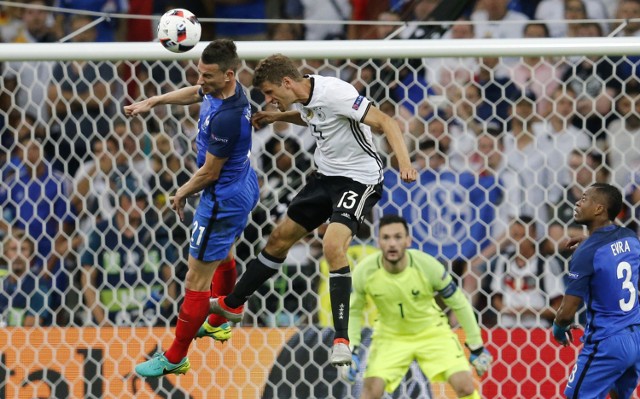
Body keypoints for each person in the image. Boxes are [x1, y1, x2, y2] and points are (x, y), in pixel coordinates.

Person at [208, 53, 417, 366]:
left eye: (269, 92)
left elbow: (385, 121)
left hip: (359, 180)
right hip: (325, 178)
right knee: (279, 238)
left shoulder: (336, 93)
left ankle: (343, 340)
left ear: (287, 83)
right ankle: (234, 304)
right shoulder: (304, 97)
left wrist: (405, 163)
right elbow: (309, 116)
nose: (268, 98)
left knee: (332, 244)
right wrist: (276, 116)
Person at [124, 39, 259, 377]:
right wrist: (154, 101)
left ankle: (175, 356)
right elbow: (196, 93)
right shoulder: (225, 87)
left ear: (228, 74)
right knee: (224, 254)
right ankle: (219, 319)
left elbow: (210, 173)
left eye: (207, 76)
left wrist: (181, 193)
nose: (200, 81)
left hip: (220, 198)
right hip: (243, 183)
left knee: (195, 279)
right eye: (199, 73)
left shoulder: (227, 118)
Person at [342, 215, 492, 399]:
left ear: (408, 240)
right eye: (386, 237)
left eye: (398, 237)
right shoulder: (365, 271)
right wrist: (352, 349)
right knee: (370, 391)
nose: (392, 243)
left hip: (431, 333)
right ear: (378, 241)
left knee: (465, 386)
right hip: (390, 336)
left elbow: (459, 303)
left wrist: (476, 346)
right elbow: (354, 310)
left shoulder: (427, 266)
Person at [553, 183, 640, 399]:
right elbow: (611, 251)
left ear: (599, 209)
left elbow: (567, 311)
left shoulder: (587, 253)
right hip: (635, 338)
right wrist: (589, 242)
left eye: (584, 199)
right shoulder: (630, 237)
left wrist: (558, 327)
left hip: (607, 342)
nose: (577, 203)